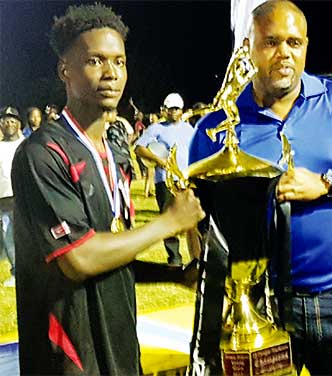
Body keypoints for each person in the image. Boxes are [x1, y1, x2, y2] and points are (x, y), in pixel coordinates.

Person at [188, 1, 332, 374]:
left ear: (306, 47)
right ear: (248, 48)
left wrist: (328, 183)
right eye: (271, 42)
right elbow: (199, 219)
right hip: (258, 306)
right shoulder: (216, 127)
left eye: (294, 43)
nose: (284, 53)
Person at [12, 5, 205, 374]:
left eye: (119, 61)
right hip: (69, 355)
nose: (111, 73)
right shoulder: (42, 153)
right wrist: (168, 223)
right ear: (65, 70)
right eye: (95, 61)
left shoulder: (112, 153)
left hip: (118, 343)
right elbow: (80, 259)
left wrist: (175, 276)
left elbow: (113, 252)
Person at [135, 92, 195, 266]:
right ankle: (174, 258)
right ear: (165, 110)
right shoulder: (156, 129)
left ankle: (196, 257)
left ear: (181, 110)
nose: (173, 112)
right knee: (169, 219)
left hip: (186, 180)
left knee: (192, 220)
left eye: (176, 109)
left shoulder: (189, 129)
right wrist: (158, 160)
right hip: (165, 181)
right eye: (170, 109)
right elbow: (139, 148)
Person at [0, 107, 24, 287]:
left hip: (23, 200)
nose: (8, 124)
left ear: (19, 124)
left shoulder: (27, 145)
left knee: (28, 237)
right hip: (4, 201)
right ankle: (16, 272)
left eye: (12, 121)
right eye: (5, 121)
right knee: (8, 237)